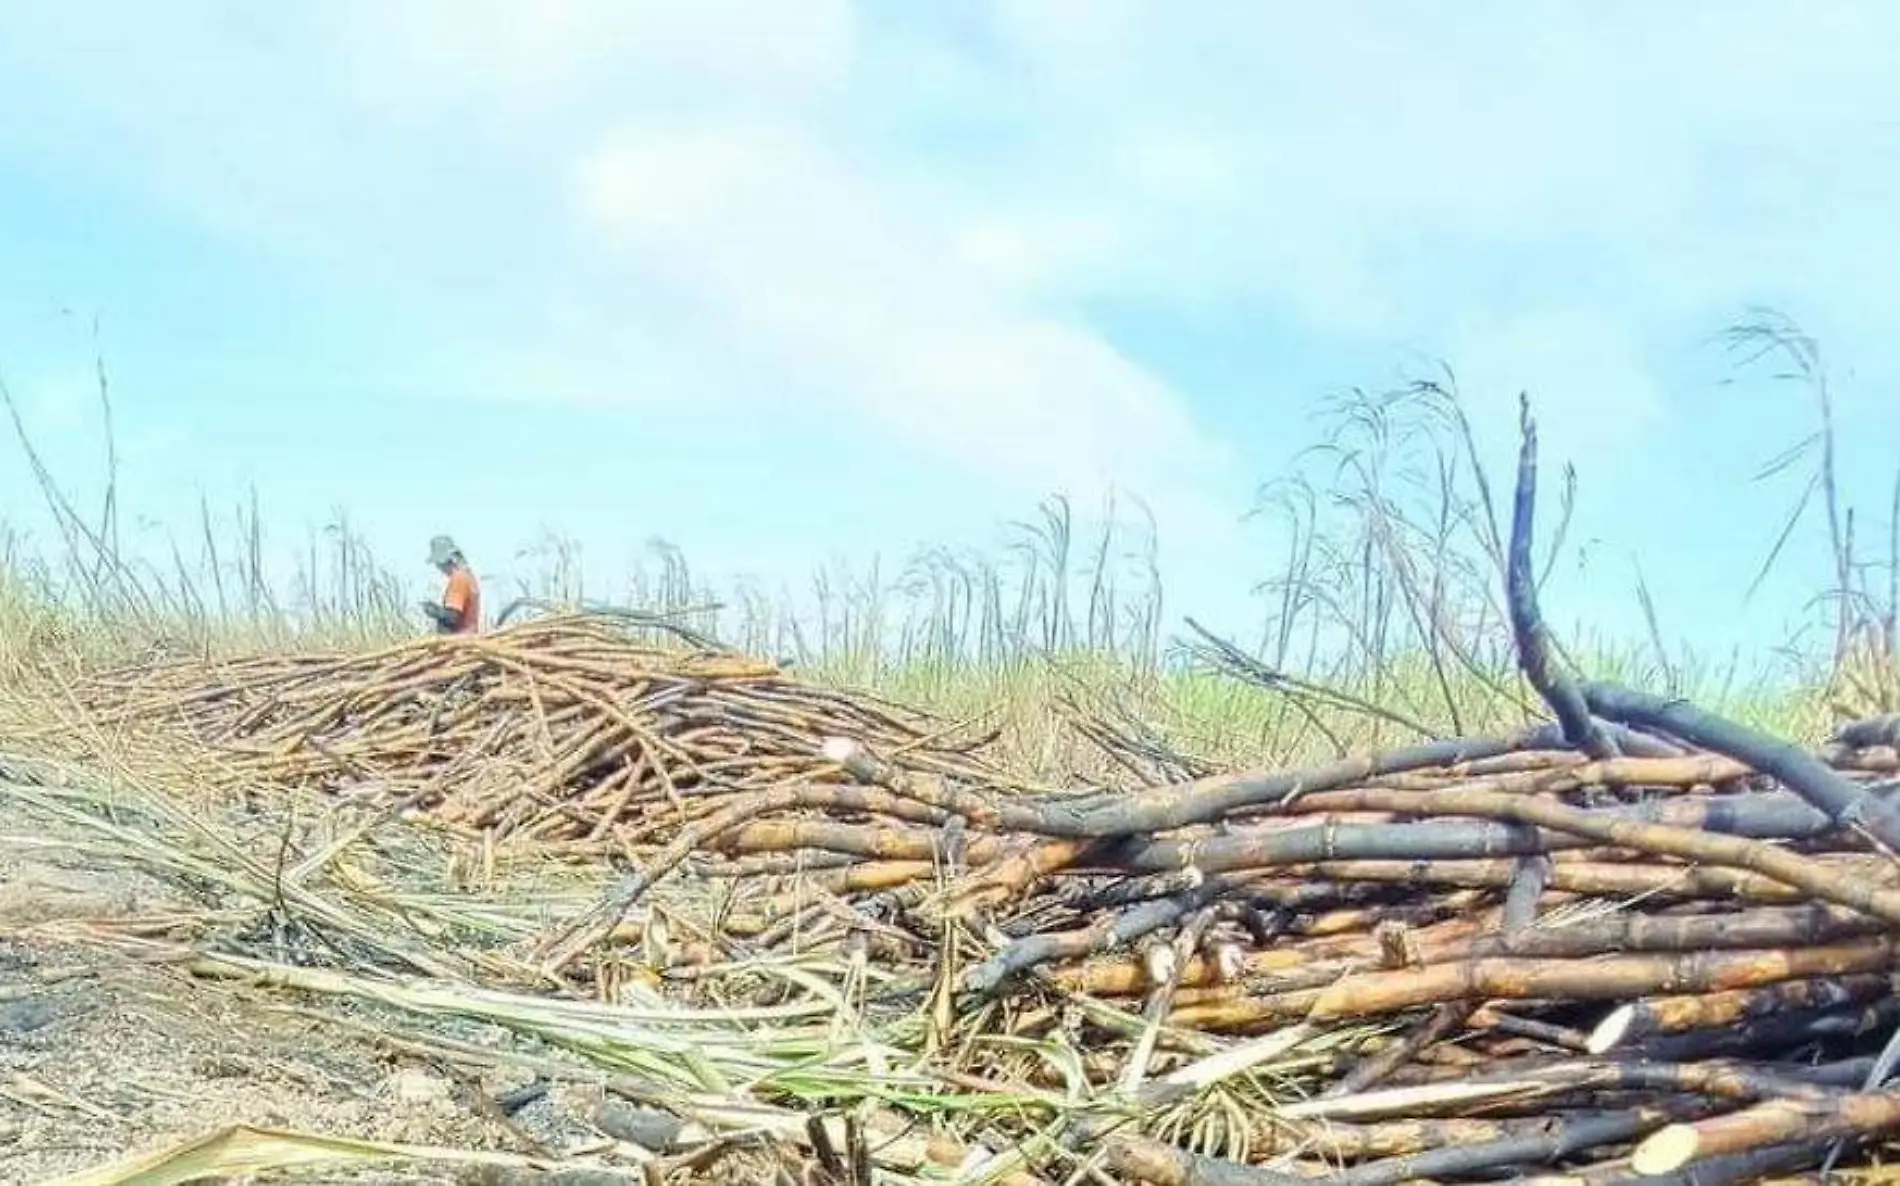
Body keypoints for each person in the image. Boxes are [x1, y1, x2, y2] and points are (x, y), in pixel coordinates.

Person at [420, 535, 481, 635]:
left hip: (460, 641)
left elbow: (452, 617)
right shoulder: (469, 577)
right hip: (469, 637)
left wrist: (434, 611)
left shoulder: (458, 579)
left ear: (443, 561)